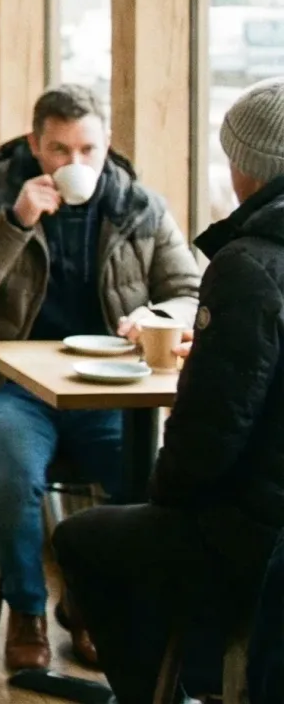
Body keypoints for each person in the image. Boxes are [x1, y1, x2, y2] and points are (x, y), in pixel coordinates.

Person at [0, 83, 200, 672]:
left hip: (111, 388)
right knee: (9, 473)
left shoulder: (140, 208)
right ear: (35, 144)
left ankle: (89, 604)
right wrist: (16, 220)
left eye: (88, 149)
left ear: (106, 145)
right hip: (11, 386)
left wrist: (154, 318)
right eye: (59, 150)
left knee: (151, 482)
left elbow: (188, 292)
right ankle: (26, 609)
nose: (75, 164)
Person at [53, 79, 284, 704]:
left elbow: (210, 434)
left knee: (83, 540)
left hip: (256, 532)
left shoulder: (249, 264)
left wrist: (166, 496)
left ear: (241, 169)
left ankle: (159, 692)